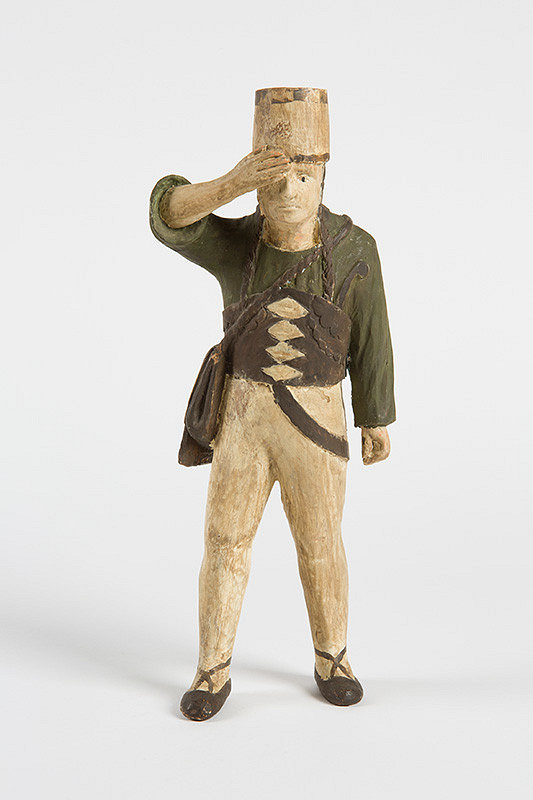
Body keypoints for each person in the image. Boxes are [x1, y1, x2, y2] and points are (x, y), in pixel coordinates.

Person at [149, 87, 395, 721]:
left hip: (318, 417)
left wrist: (375, 415)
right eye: (274, 179)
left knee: (321, 540)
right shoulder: (237, 243)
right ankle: (212, 666)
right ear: (257, 185)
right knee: (224, 538)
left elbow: (372, 335)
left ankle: (333, 655)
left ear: (324, 177)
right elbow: (168, 214)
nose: (289, 193)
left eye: (302, 177)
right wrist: (230, 182)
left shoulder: (354, 248)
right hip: (244, 417)